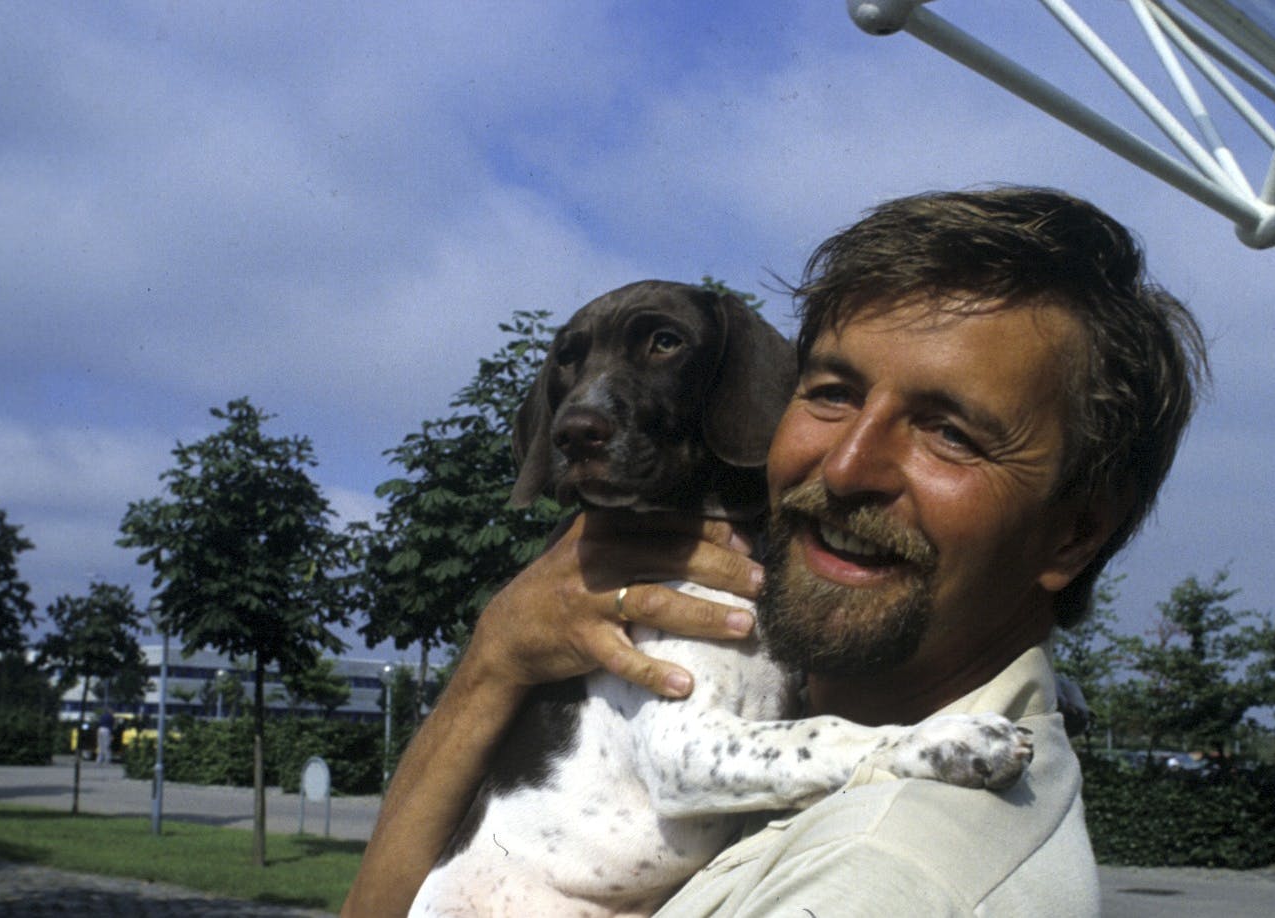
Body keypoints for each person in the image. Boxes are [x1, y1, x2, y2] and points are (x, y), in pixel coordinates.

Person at [342, 187, 1207, 915]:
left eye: (948, 432)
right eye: (829, 393)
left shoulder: (877, 878)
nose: (845, 466)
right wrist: (494, 659)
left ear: (1072, 533)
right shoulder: (819, 666)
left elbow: (688, 770)